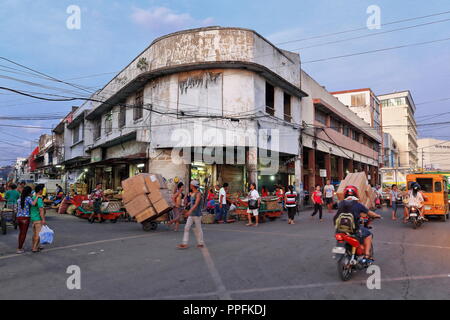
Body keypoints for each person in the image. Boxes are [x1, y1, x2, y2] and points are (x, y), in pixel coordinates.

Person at [333, 186, 381, 263]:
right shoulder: (358, 205)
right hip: (354, 230)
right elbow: (369, 213)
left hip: (340, 229)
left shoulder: (340, 203)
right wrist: (377, 215)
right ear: (356, 194)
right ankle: (367, 255)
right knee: (368, 235)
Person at [178, 180, 204, 249]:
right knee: (186, 228)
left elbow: (196, 204)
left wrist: (189, 211)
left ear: (193, 186)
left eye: (190, 184)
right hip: (192, 214)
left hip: (197, 214)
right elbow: (193, 202)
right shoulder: (193, 193)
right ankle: (184, 243)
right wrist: (188, 204)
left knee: (198, 229)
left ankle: (200, 243)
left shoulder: (198, 194)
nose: (190, 185)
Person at [15, 186, 40, 254]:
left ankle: (19, 247)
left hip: (19, 217)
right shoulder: (28, 198)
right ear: (29, 192)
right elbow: (33, 204)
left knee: (21, 233)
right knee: (23, 234)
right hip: (25, 218)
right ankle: (19, 248)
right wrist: (37, 197)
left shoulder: (20, 198)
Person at [30, 185, 46, 253]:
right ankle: (34, 248)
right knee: (38, 234)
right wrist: (43, 219)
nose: (42, 191)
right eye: (42, 190)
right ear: (40, 191)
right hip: (37, 218)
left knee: (35, 234)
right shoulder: (39, 199)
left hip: (33, 218)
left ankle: (34, 246)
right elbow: (41, 210)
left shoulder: (33, 197)